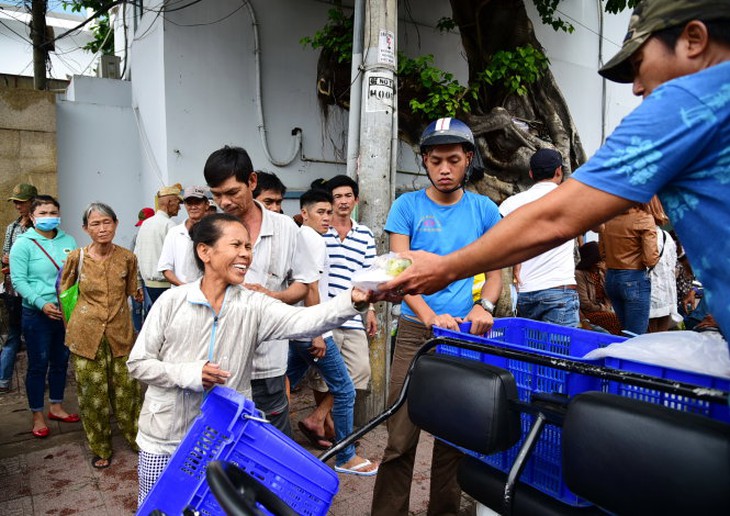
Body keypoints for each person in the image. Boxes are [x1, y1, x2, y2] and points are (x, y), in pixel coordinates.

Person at [383, 1, 730, 340]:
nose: (637, 87)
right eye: (436, 160)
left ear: (694, 40)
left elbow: (556, 219)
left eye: (639, 63)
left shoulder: (688, 103)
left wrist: (445, 269)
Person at [128, 213, 373, 504]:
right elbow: (139, 363)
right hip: (165, 437)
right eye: (236, 245)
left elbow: (305, 321)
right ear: (204, 251)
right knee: (159, 506)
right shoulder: (172, 301)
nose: (246, 254)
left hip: (222, 437)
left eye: (248, 246)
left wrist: (352, 301)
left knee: (213, 505)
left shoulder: (252, 305)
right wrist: (191, 374)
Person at [371, 117, 503, 516]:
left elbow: (498, 275)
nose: (444, 169)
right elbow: (399, 271)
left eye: (453, 159)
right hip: (415, 332)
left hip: (463, 337)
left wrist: (485, 307)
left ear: (468, 160)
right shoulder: (406, 206)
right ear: (424, 162)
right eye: (435, 161)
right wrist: (430, 316)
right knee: (399, 437)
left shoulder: (483, 209)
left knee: (454, 440)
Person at [204, 146, 316, 436]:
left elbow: (303, 286)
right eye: (216, 195)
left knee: (272, 441)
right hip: (220, 365)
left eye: (231, 192)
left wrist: (272, 296)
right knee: (225, 443)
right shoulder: (209, 231)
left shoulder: (286, 229)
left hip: (267, 363)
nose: (224, 202)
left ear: (252, 182)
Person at [287, 189, 379, 475]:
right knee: (345, 389)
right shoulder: (313, 240)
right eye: (321, 212)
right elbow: (310, 288)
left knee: (282, 383)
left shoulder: (301, 236)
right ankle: (345, 455)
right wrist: (318, 332)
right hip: (314, 328)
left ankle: (282, 438)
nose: (327, 217)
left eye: (329, 212)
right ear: (305, 214)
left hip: (298, 328)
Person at [59, 203, 143, 469]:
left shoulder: (128, 258)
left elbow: (133, 292)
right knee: (92, 395)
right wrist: (69, 327)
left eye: (107, 222)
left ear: (116, 224)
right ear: (85, 228)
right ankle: (100, 447)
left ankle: (137, 439)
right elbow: (65, 293)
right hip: (85, 336)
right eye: (95, 224)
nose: (102, 228)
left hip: (120, 333)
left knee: (128, 391)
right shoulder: (76, 257)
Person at [9, 195, 79, 437]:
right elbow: (19, 281)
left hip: (65, 313)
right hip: (37, 315)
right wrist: (41, 303)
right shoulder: (23, 244)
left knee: (61, 362)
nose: (49, 217)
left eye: (53, 213)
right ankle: (37, 415)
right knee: (38, 365)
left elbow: (75, 275)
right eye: (43, 213)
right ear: (32, 217)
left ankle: (56, 406)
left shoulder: (69, 240)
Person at [499, 149, 579, 326]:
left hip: (526, 293)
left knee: (531, 352)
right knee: (559, 353)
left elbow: (497, 239)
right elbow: (598, 226)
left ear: (531, 174)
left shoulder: (511, 203)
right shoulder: (571, 199)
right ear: (559, 171)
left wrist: (516, 259)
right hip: (559, 291)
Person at [599, 204, 659, 334]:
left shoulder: (609, 217)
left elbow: (603, 253)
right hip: (634, 277)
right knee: (635, 336)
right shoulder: (644, 218)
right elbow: (650, 259)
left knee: (625, 331)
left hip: (611, 278)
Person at [1, 183, 37, 393]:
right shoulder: (12, 228)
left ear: (32, 201)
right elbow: (4, 254)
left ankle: (35, 379)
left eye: (20, 201)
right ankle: (3, 380)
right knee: (14, 335)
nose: (17, 206)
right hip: (13, 290)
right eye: (15, 201)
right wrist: (5, 260)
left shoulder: (41, 228)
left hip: (34, 290)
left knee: (35, 336)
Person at [134, 184, 182, 305]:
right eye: (177, 202)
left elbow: (136, 256)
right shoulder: (169, 225)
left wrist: (138, 283)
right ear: (169, 202)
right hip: (167, 284)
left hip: (149, 286)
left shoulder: (145, 224)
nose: (179, 207)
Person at [157, 186, 209, 287]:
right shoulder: (174, 233)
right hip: (181, 294)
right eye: (189, 203)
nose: (193, 207)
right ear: (185, 205)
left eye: (197, 202)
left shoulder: (214, 231)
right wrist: (183, 287)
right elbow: (165, 268)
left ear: (206, 205)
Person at [647, 196, 680, 332]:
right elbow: (674, 265)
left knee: (647, 335)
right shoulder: (666, 236)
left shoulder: (644, 234)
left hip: (650, 292)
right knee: (661, 334)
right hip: (667, 293)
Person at [575, 242, 622, 335]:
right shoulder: (580, 274)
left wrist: (606, 271)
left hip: (605, 309)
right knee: (616, 320)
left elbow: (611, 294)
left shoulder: (600, 273)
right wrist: (602, 308)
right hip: (589, 313)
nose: (598, 264)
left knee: (625, 319)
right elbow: (584, 303)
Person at [130, 207, 155, 333]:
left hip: (150, 278)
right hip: (138, 277)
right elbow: (132, 260)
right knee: (137, 308)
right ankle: (138, 333)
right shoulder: (136, 237)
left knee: (149, 309)